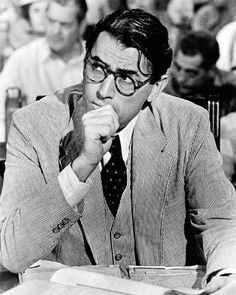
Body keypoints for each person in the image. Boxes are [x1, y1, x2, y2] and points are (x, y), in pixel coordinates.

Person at [1, 9, 236, 293]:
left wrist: (228, 274)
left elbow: (221, 220)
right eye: (97, 67)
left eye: (126, 78)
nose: (103, 91)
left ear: (155, 88)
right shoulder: (32, 125)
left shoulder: (188, 123)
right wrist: (82, 165)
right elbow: (12, 254)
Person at [0, 0, 87, 142]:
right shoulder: (22, 59)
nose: (55, 31)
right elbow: (1, 115)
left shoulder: (97, 61)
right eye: (51, 21)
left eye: (64, 24)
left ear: (81, 26)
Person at [164, 30, 236, 117]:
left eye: (191, 73)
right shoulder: (162, 87)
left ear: (211, 71)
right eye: (178, 67)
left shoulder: (231, 88)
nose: (181, 79)